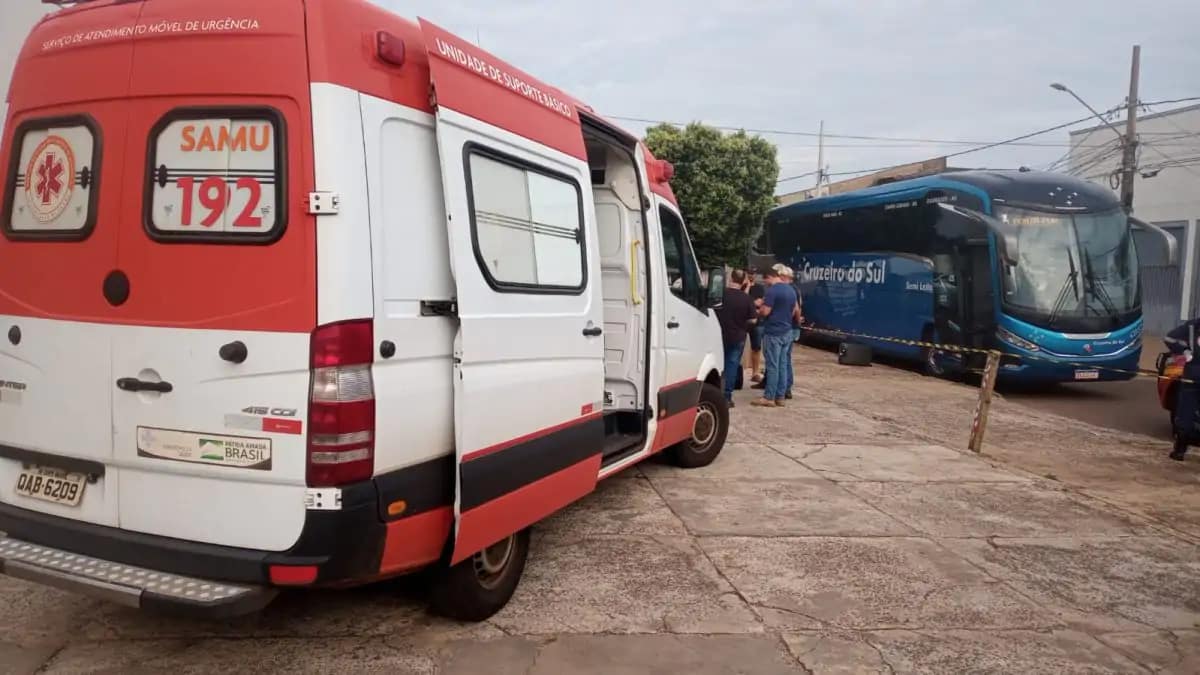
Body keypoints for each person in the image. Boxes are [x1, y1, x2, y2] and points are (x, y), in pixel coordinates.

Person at [751, 266, 799, 408]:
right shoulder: (791, 290)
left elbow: (766, 312)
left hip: (773, 332)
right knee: (783, 365)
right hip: (787, 331)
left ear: (770, 277)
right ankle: (780, 396)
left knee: (772, 365)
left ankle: (769, 397)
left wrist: (757, 310)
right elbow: (794, 310)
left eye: (766, 280)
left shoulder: (773, 291)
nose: (765, 283)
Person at [714, 269, 757, 407]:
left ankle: (715, 394)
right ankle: (727, 397)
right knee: (732, 365)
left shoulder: (720, 295)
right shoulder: (746, 298)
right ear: (743, 281)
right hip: (738, 336)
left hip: (719, 334)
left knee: (717, 364)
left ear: (730, 278)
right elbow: (753, 320)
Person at [1164, 318, 1200, 460]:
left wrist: (1184, 351)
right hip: (1192, 377)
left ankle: (1179, 451)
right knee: (1185, 414)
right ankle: (1179, 450)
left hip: (1191, 376)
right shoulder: (1192, 326)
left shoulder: (1192, 325)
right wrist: (1184, 350)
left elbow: (1169, 338)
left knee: (1185, 414)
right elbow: (1169, 338)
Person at [746, 270, 765, 385]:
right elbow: (743, 299)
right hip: (743, 320)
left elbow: (760, 303)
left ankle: (755, 372)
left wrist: (749, 302)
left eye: (753, 273)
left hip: (757, 321)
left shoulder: (760, 288)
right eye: (749, 273)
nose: (751, 275)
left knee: (756, 347)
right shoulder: (742, 285)